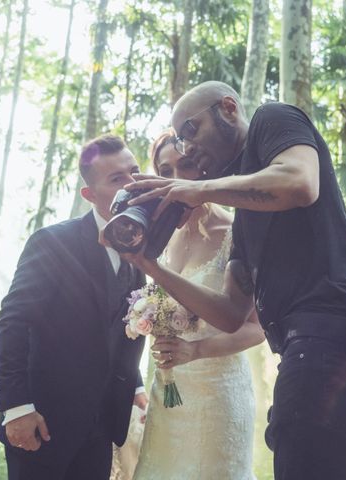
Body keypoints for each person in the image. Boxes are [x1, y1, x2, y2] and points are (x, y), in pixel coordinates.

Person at [122, 82, 346, 479]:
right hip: (300, 356)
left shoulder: (273, 119)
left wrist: (197, 189)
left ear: (228, 108)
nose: (186, 146)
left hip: (334, 344)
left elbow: (300, 182)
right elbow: (231, 313)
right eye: (179, 138)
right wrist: (153, 267)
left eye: (191, 130)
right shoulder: (244, 216)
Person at [0, 134, 149, 480]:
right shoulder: (52, 242)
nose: (132, 184)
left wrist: (135, 385)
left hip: (101, 428)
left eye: (134, 172)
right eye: (117, 179)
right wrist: (16, 408)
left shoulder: (138, 253)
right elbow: (12, 322)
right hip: (43, 423)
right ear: (89, 195)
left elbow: (117, 327)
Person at [130, 131, 265, 480]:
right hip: (168, 391)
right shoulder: (158, 234)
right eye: (165, 169)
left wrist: (197, 349)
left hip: (217, 394)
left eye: (186, 165)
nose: (176, 178)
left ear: (204, 171)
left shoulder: (236, 232)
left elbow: (256, 328)